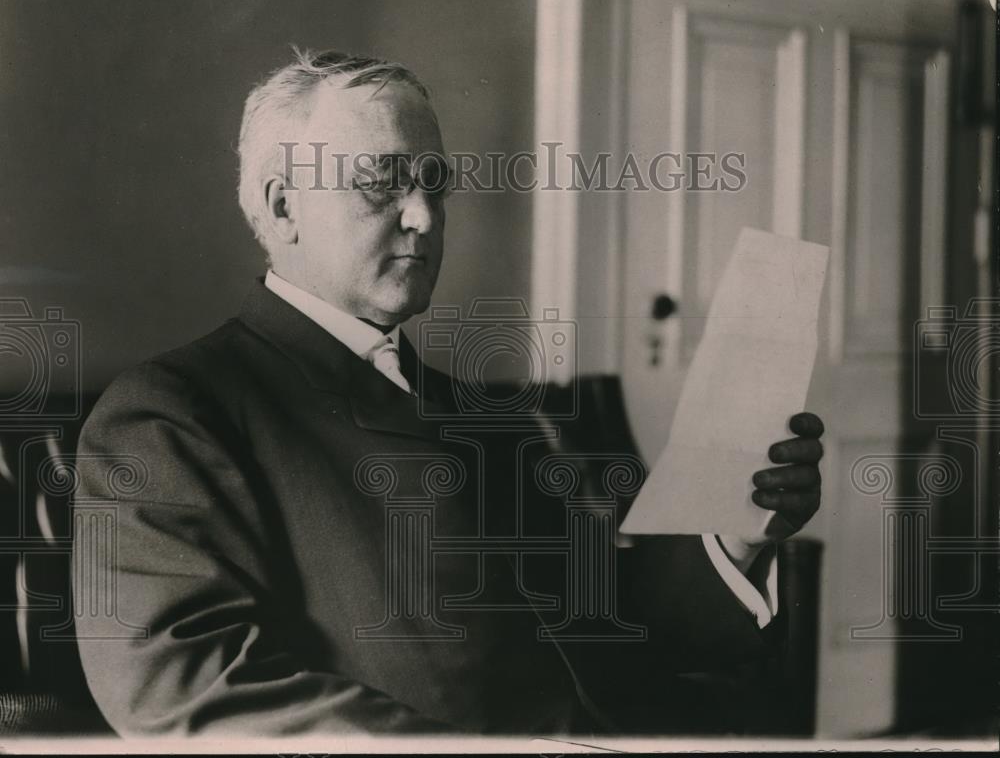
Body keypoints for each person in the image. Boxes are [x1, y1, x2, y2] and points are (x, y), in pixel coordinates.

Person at [72, 48, 825, 737]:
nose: (424, 217)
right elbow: (189, 691)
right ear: (281, 206)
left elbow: (604, 618)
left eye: (435, 183)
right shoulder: (171, 415)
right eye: (382, 181)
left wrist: (736, 534)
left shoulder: (485, 418)